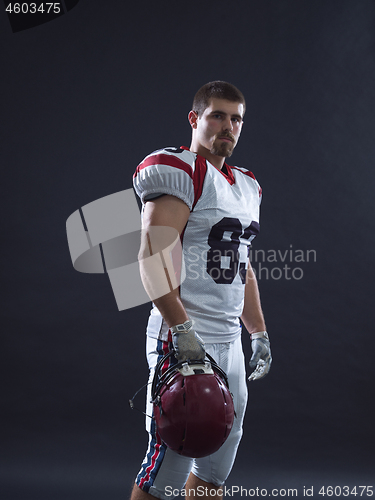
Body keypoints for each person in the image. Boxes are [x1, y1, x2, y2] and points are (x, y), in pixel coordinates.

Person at [131, 81, 272, 500]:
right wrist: (182, 330)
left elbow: (241, 267)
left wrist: (258, 332)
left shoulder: (248, 185)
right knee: (168, 469)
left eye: (236, 119)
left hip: (230, 341)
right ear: (195, 119)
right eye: (217, 116)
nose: (228, 126)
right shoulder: (181, 169)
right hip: (183, 337)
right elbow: (151, 258)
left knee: (215, 470)